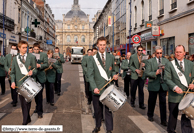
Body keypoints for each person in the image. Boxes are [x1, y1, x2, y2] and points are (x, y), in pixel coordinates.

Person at [87, 37, 118, 133]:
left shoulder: (111, 57)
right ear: (97, 45)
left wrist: (114, 75)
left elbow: (113, 70)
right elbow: (90, 75)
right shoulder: (92, 59)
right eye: (100, 45)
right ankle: (97, 126)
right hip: (97, 88)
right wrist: (94, 87)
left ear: (106, 45)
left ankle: (109, 129)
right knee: (97, 110)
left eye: (104, 45)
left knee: (108, 110)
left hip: (108, 88)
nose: (102, 47)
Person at [164, 45, 194, 133]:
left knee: (186, 116)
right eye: (177, 52)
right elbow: (167, 79)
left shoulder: (191, 64)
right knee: (173, 116)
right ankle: (171, 130)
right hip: (174, 95)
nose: (178, 54)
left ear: (184, 53)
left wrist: (193, 84)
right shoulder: (170, 64)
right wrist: (175, 87)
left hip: (187, 95)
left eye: (180, 52)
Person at [10, 40, 37, 125]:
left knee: (27, 102)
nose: (25, 49)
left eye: (26, 47)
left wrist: (33, 72)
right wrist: (13, 82)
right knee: (23, 103)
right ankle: (27, 118)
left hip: (29, 83)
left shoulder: (31, 57)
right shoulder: (15, 58)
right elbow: (13, 72)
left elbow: (35, 69)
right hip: (20, 84)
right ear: (19, 48)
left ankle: (25, 121)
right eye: (23, 47)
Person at [145, 46, 169, 126]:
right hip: (153, 84)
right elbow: (147, 73)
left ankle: (163, 120)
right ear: (155, 53)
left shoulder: (166, 60)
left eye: (160, 53)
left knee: (163, 103)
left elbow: (170, 72)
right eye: (157, 53)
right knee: (152, 101)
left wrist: (165, 70)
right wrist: (156, 73)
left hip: (163, 85)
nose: (159, 55)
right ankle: (150, 115)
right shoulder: (150, 61)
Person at [33, 43, 48, 118]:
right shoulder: (30, 55)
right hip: (33, 78)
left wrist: (40, 65)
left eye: (37, 49)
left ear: (39, 49)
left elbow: (46, 64)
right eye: (34, 49)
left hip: (41, 77)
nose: (36, 51)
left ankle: (40, 111)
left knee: (39, 95)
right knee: (35, 95)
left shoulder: (43, 55)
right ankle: (37, 107)